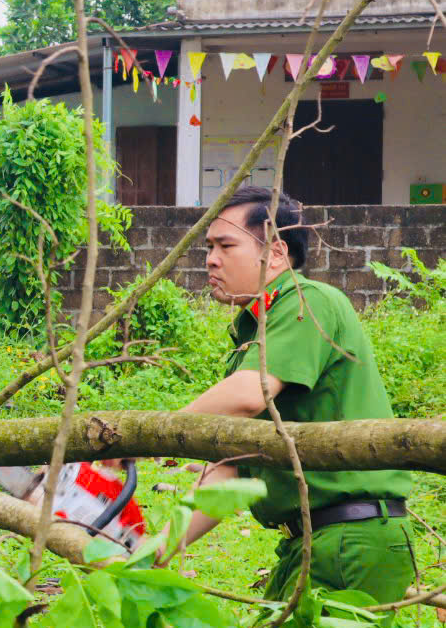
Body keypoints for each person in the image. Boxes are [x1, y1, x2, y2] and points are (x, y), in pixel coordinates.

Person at [157, 186, 412, 602]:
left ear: (275, 252)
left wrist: (154, 437)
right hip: (315, 540)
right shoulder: (257, 330)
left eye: (226, 245)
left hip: (349, 539)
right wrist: (157, 552)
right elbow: (228, 471)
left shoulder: (307, 302)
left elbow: (249, 393)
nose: (210, 259)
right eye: (208, 247)